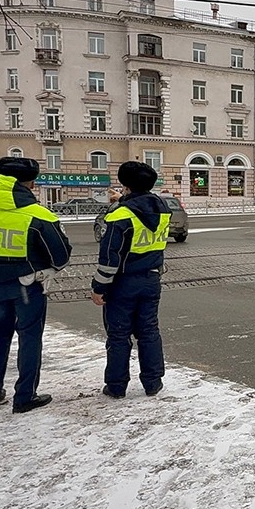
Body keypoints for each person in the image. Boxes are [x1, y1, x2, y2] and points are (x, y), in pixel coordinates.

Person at [0, 157, 72, 413]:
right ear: (31, 182)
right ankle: (25, 396)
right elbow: (61, 256)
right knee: (30, 337)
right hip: (27, 287)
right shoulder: (38, 215)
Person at [92, 161, 171, 399]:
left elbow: (109, 258)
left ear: (125, 186)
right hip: (152, 279)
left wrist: (99, 287)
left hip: (123, 284)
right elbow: (140, 209)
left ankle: (116, 386)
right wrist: (123, 199)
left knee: (118, 335)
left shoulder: (120, 215)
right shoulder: (161, 208)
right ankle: (153, 382)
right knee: (148, 331)